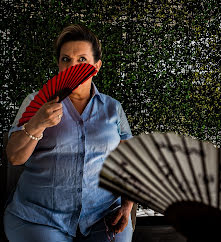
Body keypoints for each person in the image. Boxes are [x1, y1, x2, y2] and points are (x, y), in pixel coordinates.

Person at [4, 24, 134, 241]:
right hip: (40, 217)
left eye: (82, 60)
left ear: (96, 66)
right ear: (58, 64)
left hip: (102, 216)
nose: (72, 66)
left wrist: (128, 203)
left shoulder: (113, 108)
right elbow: (14, 157)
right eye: (66, 60)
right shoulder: (36, 102)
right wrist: (37, 123)